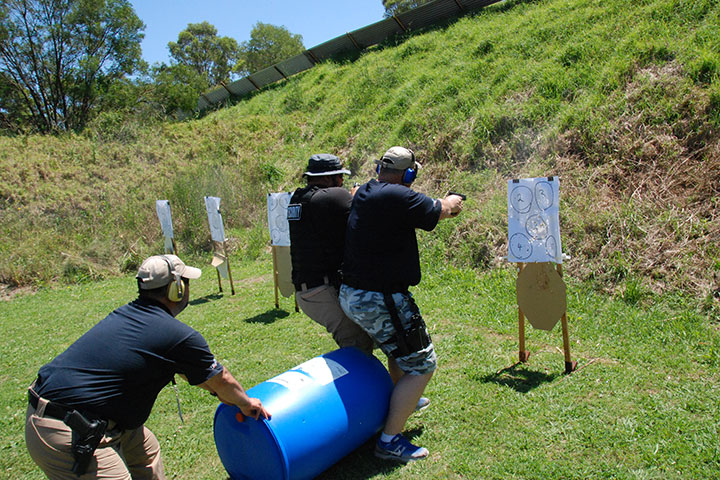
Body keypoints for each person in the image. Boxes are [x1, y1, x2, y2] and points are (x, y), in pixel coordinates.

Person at [25, 254, 270, 480]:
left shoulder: (130, 316)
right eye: (186, 282)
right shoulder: (176, 335)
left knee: (147, 452)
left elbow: (195, 374)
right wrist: (246, 403)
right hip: (69, 429)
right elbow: (221, 379)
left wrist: (218, 391)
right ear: (177, 289)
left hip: (75, 414)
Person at [339, 146, 463, 463]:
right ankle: (390, 441)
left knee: (398, 351)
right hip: (379, 297)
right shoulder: (399, 196)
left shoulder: (365, 190)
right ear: (409, 174)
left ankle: (405, 398)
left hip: (354, 293)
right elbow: (442, 210)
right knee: (423, 364)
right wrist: (453, 201)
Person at [288, 153, 375, 355]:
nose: (342, 182)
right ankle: (358, 386)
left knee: (360, 339)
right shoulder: (333, 196)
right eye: (339, 177)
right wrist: (356, 195)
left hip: (307, 289)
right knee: (358, 346)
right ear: (328, 178)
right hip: (322, 289)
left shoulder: (299, 198)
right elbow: (364, 214)